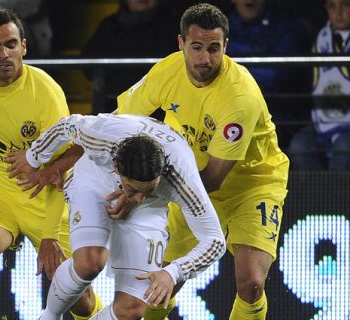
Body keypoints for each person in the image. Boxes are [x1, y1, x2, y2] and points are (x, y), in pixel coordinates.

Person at [116, 3, 289, 319]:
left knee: (251, 284)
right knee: (157, 285)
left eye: (213, 49)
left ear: (226, 46)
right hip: (185, 178)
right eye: (196, 47)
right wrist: (75, 156)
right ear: (181, 44)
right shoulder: (166, 72)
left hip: (251, 185)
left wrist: (141, 193)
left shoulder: (240, 97)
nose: (205, 58)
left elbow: (212, 179)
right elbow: (119, 122)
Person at [0, 8, 101, 320]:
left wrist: (50, 234)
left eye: (11, 44)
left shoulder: (46, 94)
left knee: (82, 301)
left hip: (47, 200)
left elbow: (63, 166)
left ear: (24, 47)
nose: (4, 54)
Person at [5, 113, 225, 319]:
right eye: (134, 190)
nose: (138, 199)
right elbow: (66, 124)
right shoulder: (100, 138)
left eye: (148, 188)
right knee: (89, 262)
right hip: (94, 183)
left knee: (132, 310)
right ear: (117, 167)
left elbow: (215, 242)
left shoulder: (182, 181)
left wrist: (174, 272)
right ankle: (49, 316)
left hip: (152, 208)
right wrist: (33, 156)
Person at [226, 0, 312, 148]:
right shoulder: (218, 27)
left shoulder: (286, 26)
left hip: (278, 115)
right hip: (229, 110)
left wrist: (230, 66)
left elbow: (275, 75)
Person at [80, 0, 179, 116]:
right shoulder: (109, 26)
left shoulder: (173, 26)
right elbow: (88, 63)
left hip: (160, 108)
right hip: (115, 106)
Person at [288, 0, 350, 170]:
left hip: (347, 126)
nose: (338, 12)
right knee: (299, 146)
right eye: (332, 6)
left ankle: (338, 197)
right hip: (322, 124)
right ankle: (315, 196)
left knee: (344, 149)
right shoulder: (320, 39)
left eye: (345, 5)